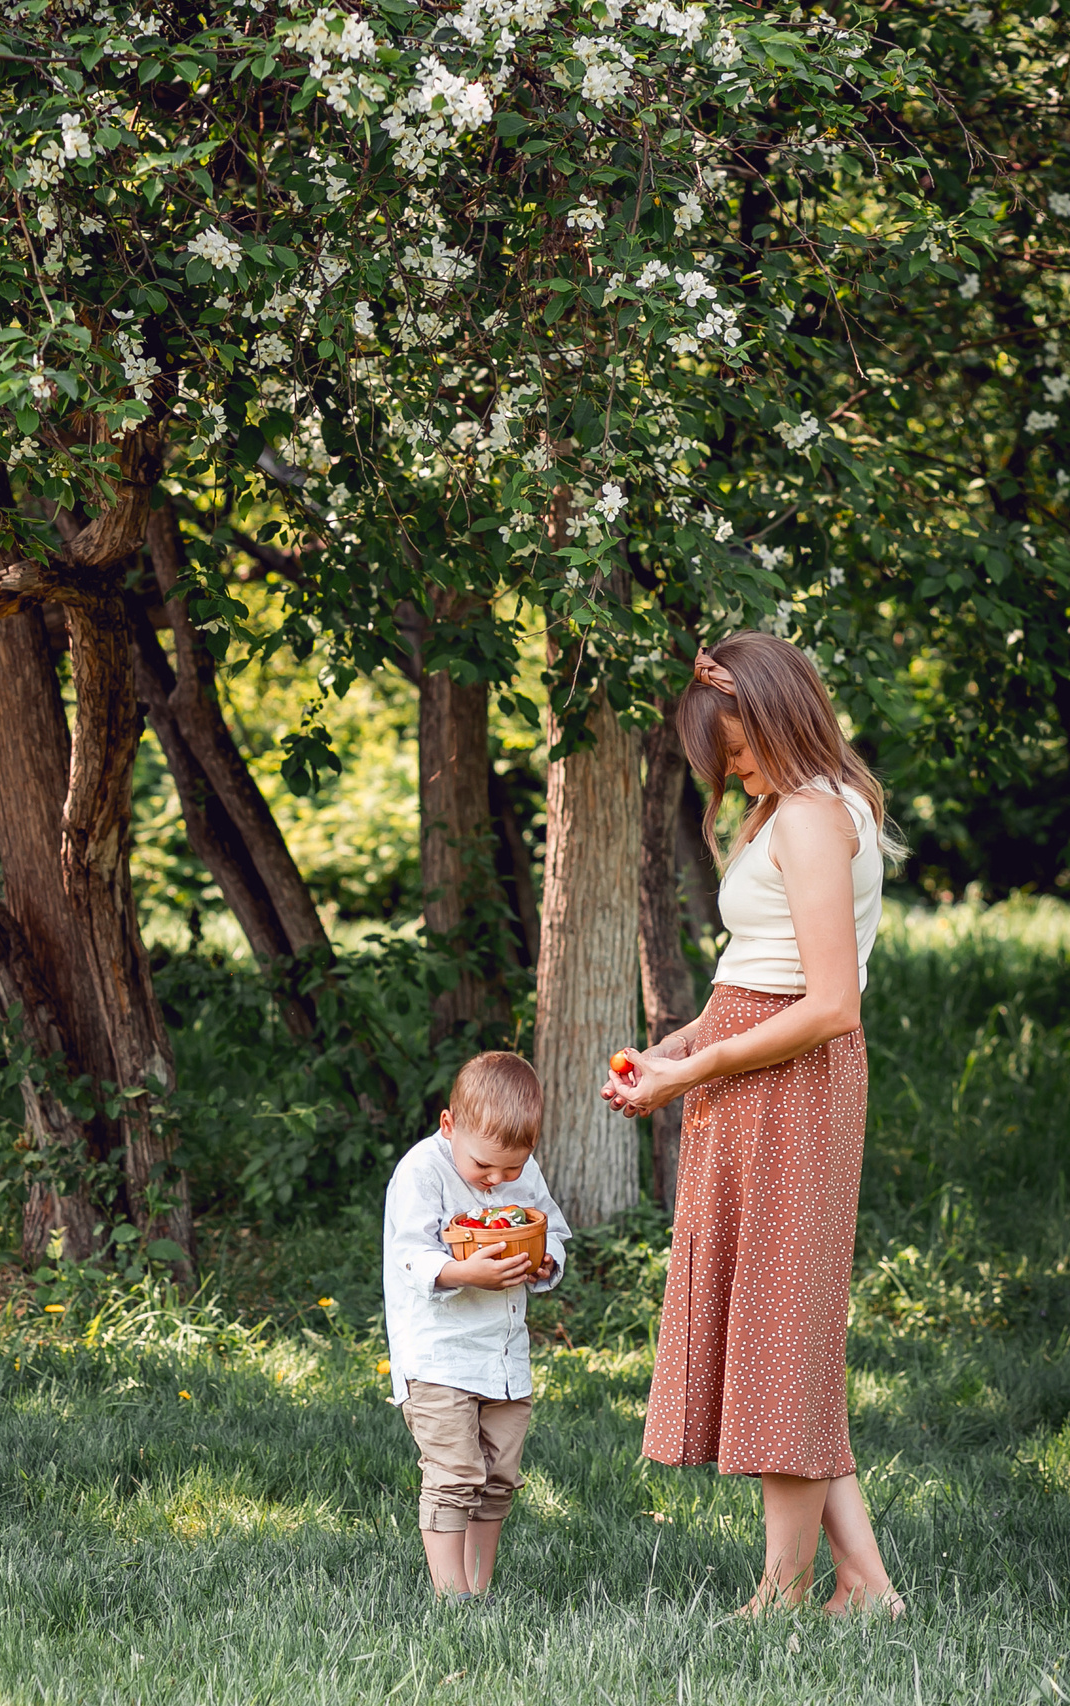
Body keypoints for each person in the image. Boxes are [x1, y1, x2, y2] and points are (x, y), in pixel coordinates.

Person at [601, 634, 905, 1617]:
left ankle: (782, 1592)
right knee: (780, 1330)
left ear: (780, 715)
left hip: (791, 1082)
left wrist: (700, 1065)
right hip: (747, 1067)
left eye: (737, 748)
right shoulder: (790, 805)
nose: (732, 770)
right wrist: (678, 1042)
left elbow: (827, 1005)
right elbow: (754, 963)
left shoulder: (815, 816)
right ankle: (863, 1583)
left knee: (782, 1335)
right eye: (723, 758)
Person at [382, 1051, 569, 1597]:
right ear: (449, 1125)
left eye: (511, 1169)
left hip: (505, 1358)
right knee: (455, 1475)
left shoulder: (521, 1171)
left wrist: (546, 1261)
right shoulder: (422, 1171)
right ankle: (451, 1596)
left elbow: (552, 1229)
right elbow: (410, 1254)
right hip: (439, 1358)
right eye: (484, 1166)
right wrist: (464, 1272)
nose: (496, 1181)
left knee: (498, 1480)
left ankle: (478, 1590)